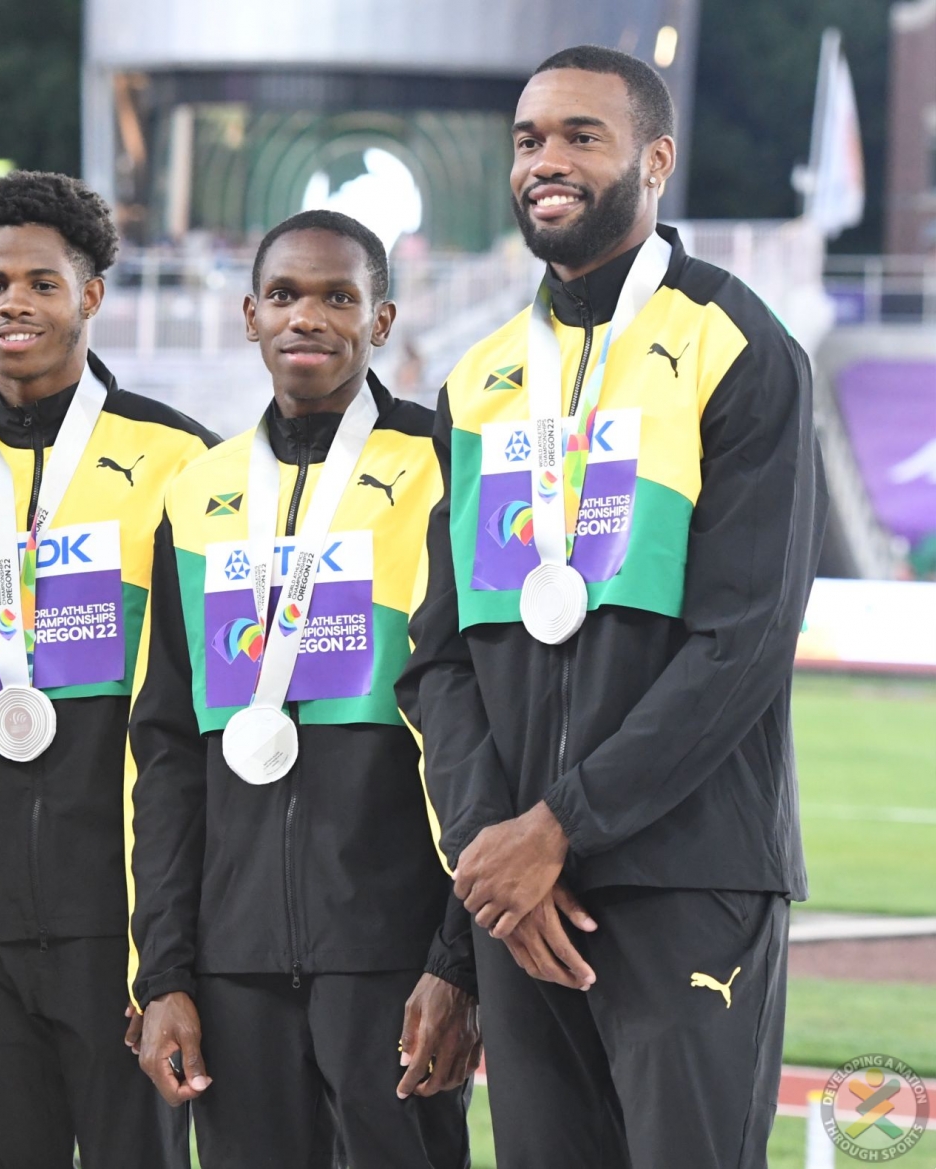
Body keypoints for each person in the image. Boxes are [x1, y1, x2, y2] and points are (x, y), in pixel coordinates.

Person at [397, 45, 827, 1168]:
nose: (546, 160)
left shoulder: (736, 348)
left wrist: (560, 827)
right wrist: (495, 862)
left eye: (581, 135)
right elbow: (437, 658)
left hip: (685, 876)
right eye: (528, 140)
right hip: (517, 898)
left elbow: (743, 642)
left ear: (655, 159)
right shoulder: (478, 378)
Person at [0, 171, 211, 1168]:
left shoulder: (182, 463)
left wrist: (177, 953)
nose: (12, 303)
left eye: (40, 281)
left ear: (92, 294)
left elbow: (199, 732)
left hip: (123, 932)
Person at [129, 209, 480, 1168]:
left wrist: (456, 959)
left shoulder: (437, 466)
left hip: (391, 949)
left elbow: (483, 724)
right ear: (248, 314)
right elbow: (166, 748)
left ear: (383, 320)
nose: (307, 318)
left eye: (339, 296)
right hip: (230, 961)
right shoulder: (197, 495)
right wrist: (165, 969)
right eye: (284, 295)